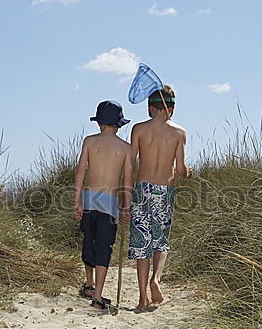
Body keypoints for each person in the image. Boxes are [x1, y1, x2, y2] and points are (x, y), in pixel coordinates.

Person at [128, 85, 191, 311]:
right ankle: (156, 279)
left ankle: (142, 298)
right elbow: (181, 169)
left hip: (142, 188)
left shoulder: (138, 129)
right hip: (164, 190)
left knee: (141, 243)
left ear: (149, 107)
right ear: (172, 108)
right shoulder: (179, 133)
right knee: (161, 240)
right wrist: (188, 172)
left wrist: (126, 191)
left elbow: (130, 162)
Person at [73, 101, 132, 311]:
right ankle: (97, 295)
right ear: (118, 124)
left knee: (89, 242)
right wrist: (126, 208)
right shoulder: (126, 148)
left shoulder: (89, 142)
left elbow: (80, 172)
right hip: (110, 204)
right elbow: (127, 182)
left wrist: (76, 201)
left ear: (99, 123)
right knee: (103, 248)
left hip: (89, 199)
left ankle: (89, 285)